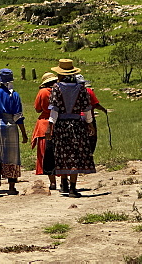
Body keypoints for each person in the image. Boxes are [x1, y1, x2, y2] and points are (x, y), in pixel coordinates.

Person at [46, 59, 97, 197]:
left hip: (61, 126)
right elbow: (87, 109)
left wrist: (50, 126)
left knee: (62, 154)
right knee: (75, 155)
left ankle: (64, 184)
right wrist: (90, 123)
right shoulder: (81, 88)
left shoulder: (56, 88)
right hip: (77, 126)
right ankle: (73, 188)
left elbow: (54, 110)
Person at [0, 68, 28, 195]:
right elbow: (18, 116)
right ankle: (11, 186)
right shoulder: (14, 95)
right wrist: (24, 134)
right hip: (11, 126)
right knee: (12, 156)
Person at [31, 72, 59, 190]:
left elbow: (37, 109)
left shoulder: (42, 92)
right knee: (59, 153)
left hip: (44, 125)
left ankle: (52, 182)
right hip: (58, 123)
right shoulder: (59, 90)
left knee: (46, 155)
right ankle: (64, 179)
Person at [76, 73, 108, 155]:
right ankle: (89, 156)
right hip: (88, 118)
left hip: (75, 119)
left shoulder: (71, 93)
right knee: (91, 139)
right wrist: (103, 109)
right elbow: (95, 104)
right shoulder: (88, 91)